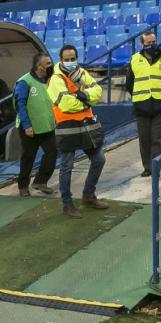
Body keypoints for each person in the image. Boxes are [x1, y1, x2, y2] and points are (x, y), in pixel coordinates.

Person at [48, 45, 109, 218]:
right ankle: (67, 204)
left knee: (99, 159)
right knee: (67, 167)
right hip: (67, 128)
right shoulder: (55, 79)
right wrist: (87, 100)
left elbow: (98, 91)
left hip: (87, 126)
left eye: (72, 58)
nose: (70, 62)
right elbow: (65, 104)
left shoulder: (82, 73)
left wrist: (83, 96)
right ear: (60, 59)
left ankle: (88, 196)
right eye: (66, 59)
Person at [126, 30, 161, 177]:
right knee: (144, 138)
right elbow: (129, 84)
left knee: (157, 137)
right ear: (142, 44)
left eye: (153, 42)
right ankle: (147, 167)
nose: (151, 45)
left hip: (160, 104)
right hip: (141, 105)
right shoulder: (134, 59)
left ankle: (156, 166)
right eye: (148, 43)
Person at [15, 53, 58, 197]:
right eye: (47, 64)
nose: (50, 66)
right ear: (38, 67)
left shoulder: (49, 81)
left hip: (46, 126)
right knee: (28, 157)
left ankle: (40, 181)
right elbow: (20, 105)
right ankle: (23, 186)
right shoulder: (24, 82)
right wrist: (27, 126)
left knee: (52, 153)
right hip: (30, 128)